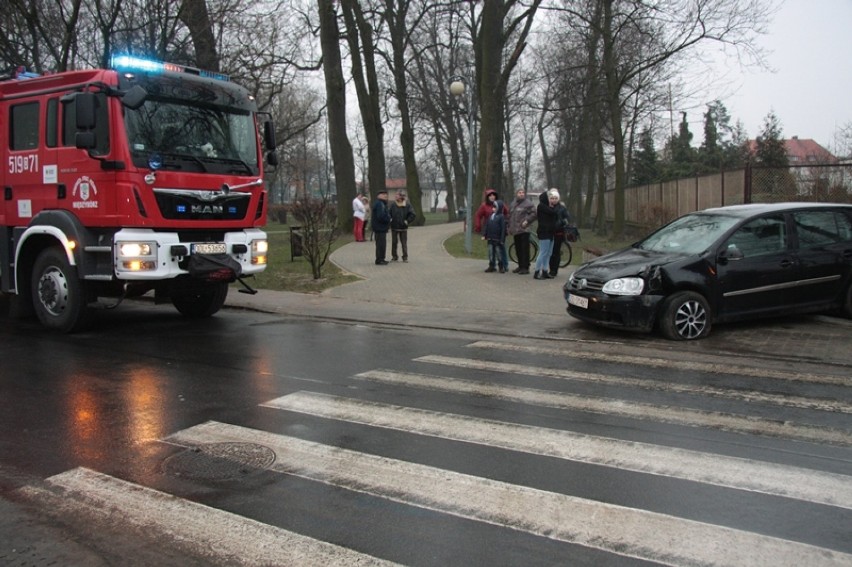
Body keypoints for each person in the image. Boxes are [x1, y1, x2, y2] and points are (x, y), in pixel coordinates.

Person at [507, 188, 536, 275]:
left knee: (524, 249)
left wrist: (527, 220)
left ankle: (525, 267)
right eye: (519, 192)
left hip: (524, 230)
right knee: (518, 249)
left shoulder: (528, 204)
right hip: (515, 230)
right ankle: (520, 265)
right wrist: (509, 227)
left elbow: (534, 213)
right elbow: (510, 216)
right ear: (516, 194)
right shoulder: (513, 204)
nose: (521, 194)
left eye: (523, 192)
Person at [533, 188, 560, 279]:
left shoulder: (549, 207)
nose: (551, 199)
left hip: (551, 232)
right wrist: (557, 206)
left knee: (549, 253)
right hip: (544, 232)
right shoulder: (541, 206)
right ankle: (537, 271)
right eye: (550, 197)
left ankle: (545, 270)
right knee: (543, 252)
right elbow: (553, 212)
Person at [481, 199, 509, 273]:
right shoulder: (490, 216)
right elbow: (486, 226)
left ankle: (501, 266)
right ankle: (491, 265)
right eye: (493, 207)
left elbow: (503, 229)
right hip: (490, 238)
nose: (493, 208)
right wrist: (484, 234)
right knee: (490, 253)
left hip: (497, 239)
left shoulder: (501, 217)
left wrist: (502, 239)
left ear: (499, 208)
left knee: (499, 253)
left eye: (495, 207)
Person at [389, 190, 416, 262]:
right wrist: (390, 219)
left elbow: (413, 214)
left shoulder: (407, 205)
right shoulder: (393, 205)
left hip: (403, 227)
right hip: (394, 226)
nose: (395, 196)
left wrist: (407, 221)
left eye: (397, 195)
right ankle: (394, 256)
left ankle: (405, 257)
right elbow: (389, 213)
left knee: (404, 243)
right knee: (394, 243)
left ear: (401, 196)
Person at [549, 198, 573, 277]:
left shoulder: (562, 208)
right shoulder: (548, 207)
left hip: (559, 233)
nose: (554, 200)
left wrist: (561, 223)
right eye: (552, 198)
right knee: (550, 252)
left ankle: (554, 270)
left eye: (556, 198)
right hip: (549, 232)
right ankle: (550, 268)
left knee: (556, 252)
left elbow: (567, 219)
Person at [371, 190, 391, 265]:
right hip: (379, 227)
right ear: (378, 196)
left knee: (382, 244)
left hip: (381, 228)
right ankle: (379, 259)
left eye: (386, 194)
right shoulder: (380, 204)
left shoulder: (382, 203)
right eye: (383, 194)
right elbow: (381, 216)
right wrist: (389, 219)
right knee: (380, 244)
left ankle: (381, 258)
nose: (385, 195)